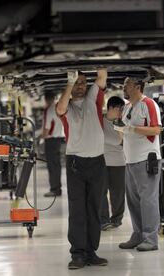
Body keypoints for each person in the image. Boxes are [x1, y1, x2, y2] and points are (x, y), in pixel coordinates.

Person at [56, 69, 108, 269]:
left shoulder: (92, 99)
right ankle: (77, 254)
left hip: (97, 162)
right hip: (76, 163)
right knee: (77, 209)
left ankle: (91, 251)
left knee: (94, 208)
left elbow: (102, 78)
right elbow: (60, 109)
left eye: (83, 82)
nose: (80, 86)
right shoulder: (66, 105)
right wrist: (69, 83)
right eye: (77, 83)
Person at [114, 77, 162, 252]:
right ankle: (138, 234)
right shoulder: (127, 107)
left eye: (126, 84)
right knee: (133, 201)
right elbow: (123, 131)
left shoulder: (148, 104)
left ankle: (151, 238)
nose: (124, 87)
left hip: (146, 160)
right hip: (130, 160)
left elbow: (156, 129)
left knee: (148, 200)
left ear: (137, 87)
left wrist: (132, 129)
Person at [101, 96, 126, 231]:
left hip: (119, 162)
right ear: (110, 108)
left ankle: (116, 219)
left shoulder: (121, 122)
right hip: (102, 162)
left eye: (122, 110)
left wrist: (120, 125)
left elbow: (120, 141)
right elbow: (116, 140)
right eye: (119, 109)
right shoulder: (100, 121)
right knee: (101, 192)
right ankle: (103, 220)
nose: (121, 112)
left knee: (118, 193)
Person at [42, 93, 65, 197]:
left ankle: (54, 189)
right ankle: (57, 189)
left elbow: (47, 127)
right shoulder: (57, 108)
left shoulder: (49, 110)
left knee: (52, 166)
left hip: (51, 140)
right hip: (58, 139)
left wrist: (43, 137)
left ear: (46, 99)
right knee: (57, 166)